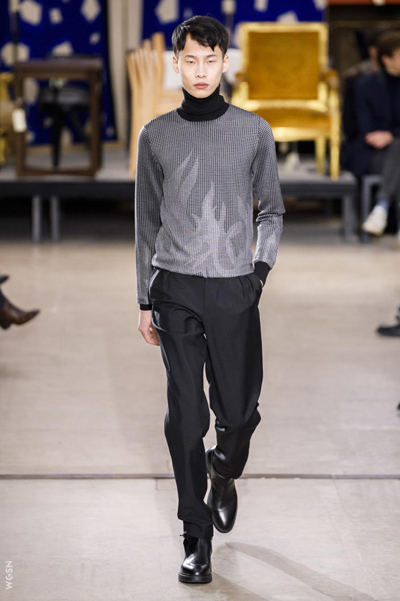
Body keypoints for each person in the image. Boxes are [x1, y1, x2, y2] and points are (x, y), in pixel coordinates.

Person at [134, 15, 285, 584]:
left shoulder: (253, 131)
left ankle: (223, 471)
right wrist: (144, 300)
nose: (200, 71)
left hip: (234, 286)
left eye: (210, 60)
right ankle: (195, 537)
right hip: (173, 286)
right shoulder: (156, 136)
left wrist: (259, 272)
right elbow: (146, 224)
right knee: (186, 416)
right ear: (176, 64)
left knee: (239, 413)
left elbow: (271, 209)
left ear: (225, 62)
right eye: (190, 61)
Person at [346, 31, 400, 239]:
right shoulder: (366, 85)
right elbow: (364, 128)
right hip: (372, 152)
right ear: (387, 59)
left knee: (398, 147)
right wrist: (387, 137)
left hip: (393, 150)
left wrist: (390, 135)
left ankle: (381, 207)